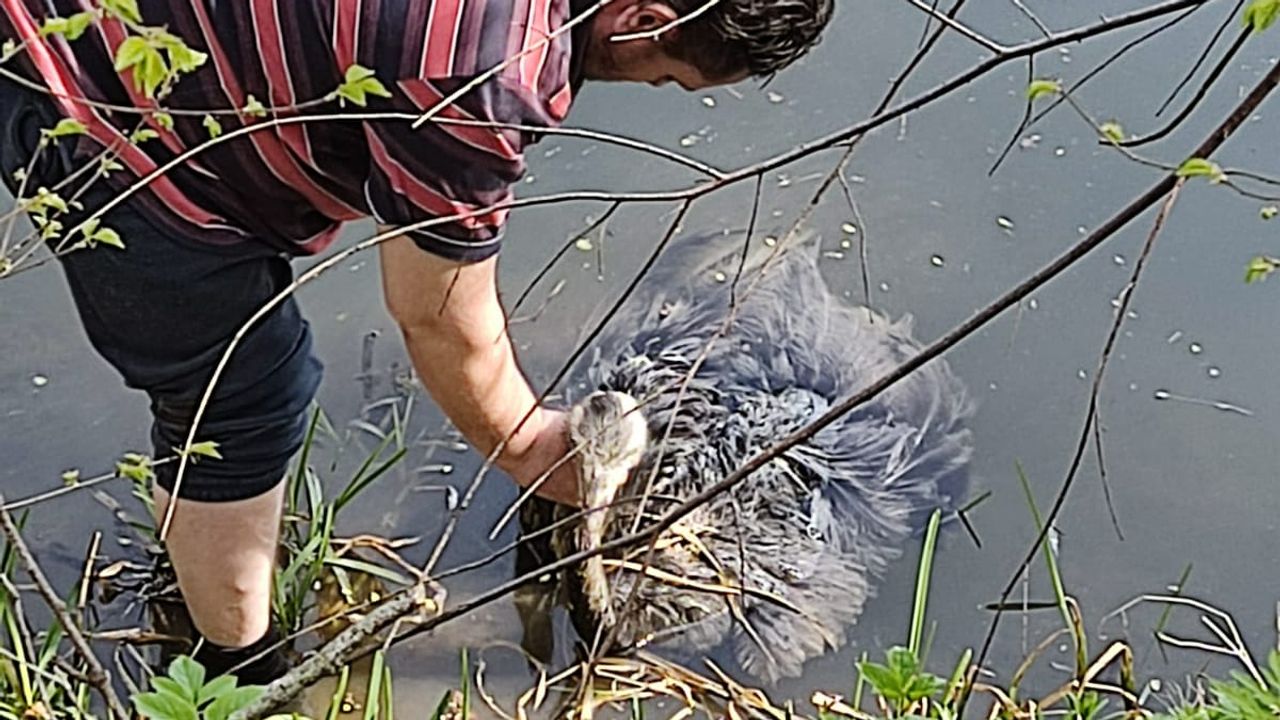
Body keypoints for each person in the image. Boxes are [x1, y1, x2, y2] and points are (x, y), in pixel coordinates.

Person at [0, 0, 830, 684]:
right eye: (667, 75)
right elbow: (437, 316)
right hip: (74, 74)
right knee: (245, 389)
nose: (647, 83)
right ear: (643, 20)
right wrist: (537, 450)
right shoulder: (487, 66)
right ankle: (237, 674)